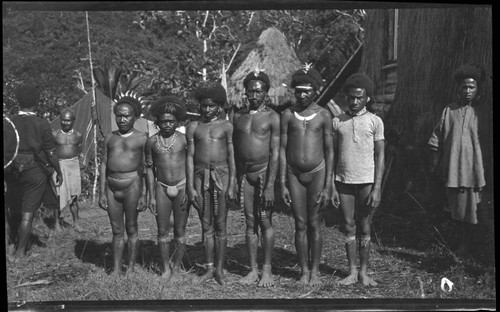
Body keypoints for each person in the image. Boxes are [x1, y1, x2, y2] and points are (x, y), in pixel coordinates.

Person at [279, 64, 337, 286]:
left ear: (316, 91)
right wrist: (282, 183)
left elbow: (330, 151)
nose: (302, 95)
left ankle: (316, 271)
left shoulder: (324, 115)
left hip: (317, 173)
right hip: (294, 175)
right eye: (298, 91)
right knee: (300, 223)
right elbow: (283, 150)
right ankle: (303, 271)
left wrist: (328, 184)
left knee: (315, 222)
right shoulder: (287, 115)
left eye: (307, 91)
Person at [427, 64, 486, 257]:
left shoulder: (483, 113)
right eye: (464, 87)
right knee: (458, 208)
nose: (468, 91)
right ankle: (461, 242)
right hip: (453, 169)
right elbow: (437, 137)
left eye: (472, 87)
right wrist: (436, 162)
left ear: (477, 89)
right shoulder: (449, 111)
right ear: (458, 89)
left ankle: (472, 244)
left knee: (475, 209)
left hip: (476, 171)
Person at [332, 73, 385, 286]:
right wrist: (331, 185)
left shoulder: (375, 121)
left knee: (365, 225)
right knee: (348, 225)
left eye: (359, 98)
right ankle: (352, 272)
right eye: (351, 97)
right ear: (346, 97)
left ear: (367, 99)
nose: (354, 102)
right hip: (343, 181)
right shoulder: (338, 122)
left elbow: (380, 155)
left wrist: (377, 187)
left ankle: (364, 272)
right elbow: (333, 155)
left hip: (366, 181)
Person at [231, 69, 280, 287]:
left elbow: (276, 153)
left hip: (263, 172)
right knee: (249, 222)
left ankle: (267, 270)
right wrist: (234, 179)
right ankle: (252, 270)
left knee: (265, 220)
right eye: (250, 91)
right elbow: (233, 149)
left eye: (259, 91)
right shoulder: (238, 116)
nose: (254, 95)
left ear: (266, 93)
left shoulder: (272, 117)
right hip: (245, 175)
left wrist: (270, 184)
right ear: (245, 92)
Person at [186, 81, 236, 285]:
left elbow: (232, 156)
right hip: (200, 177)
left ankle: (220, 270)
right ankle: (208, 268)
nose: (207, 109)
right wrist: (190, 186)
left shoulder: (226, 126)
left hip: (222, 175)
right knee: (206, 224)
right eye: (204, 105)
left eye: (212, 105)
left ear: (219, 105)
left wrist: (232, 182)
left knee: (221, 224)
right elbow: (189, 157)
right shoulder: (193, 127)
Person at [5, 84, 63, 259]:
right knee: (28, 213)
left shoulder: (10, 121)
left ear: (18, 102)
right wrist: (58, 170)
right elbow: (51, 152)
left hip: (12, 168)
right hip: (34, 170)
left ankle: (12, 244)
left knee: (13, 209)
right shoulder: (41, 123)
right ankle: (21, 251)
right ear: (36, 103)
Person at [99, 92, 148, 276]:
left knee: (132, 228)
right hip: (112, 186)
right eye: (118, 115)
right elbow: (104, 163)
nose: (122, 119)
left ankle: (132, 268)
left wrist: (144, 194)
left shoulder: (142, 138)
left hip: (132, 185)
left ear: (135, 116)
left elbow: (146, 168)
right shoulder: (110, 138)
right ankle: (117, 268)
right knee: (117, 230)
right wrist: (102, 192)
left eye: (126, 115)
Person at [145, 96, 189, 282]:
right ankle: (165, 268)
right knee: (162, 231)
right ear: (157, 123)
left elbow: (191, 165)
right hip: (161, 188)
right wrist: (151, 195)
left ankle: (177, 267)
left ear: (177, 122)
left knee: (180, 229)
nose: (167, 125)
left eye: (171, 121)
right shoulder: (151, 142)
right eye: (163, 121)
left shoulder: (184, 140)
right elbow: (148, 168)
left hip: (182, 186)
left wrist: (189, 189)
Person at [52, 108, 83, 232]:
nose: (65, 122)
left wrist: (78, 163)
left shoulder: (78, 135)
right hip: (59, 166)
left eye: (68, 120)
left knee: (74, 197)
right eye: (63, 120)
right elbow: (51, 151)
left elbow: (80, 149)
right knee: (57, 195)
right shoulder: (55, 135)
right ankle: (56, 223)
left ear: (73, 121)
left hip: (73, 166)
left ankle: (76, 224)